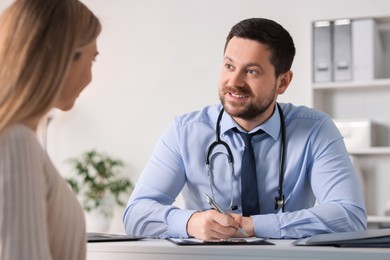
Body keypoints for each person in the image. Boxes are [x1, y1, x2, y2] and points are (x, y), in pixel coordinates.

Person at [123, 17, 367, 240]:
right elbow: (136, 214)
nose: (234, 82)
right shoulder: (185, 131)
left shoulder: (316, 130)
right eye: (229, 66)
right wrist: (190, 222)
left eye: (252, 71)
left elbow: (350, 216)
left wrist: (253, 226)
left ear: (283, 82)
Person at [0, 0, 101, 259]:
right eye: (92, 60)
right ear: (62, 57)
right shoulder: (15, 142)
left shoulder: (19, 139)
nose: (90, 77)